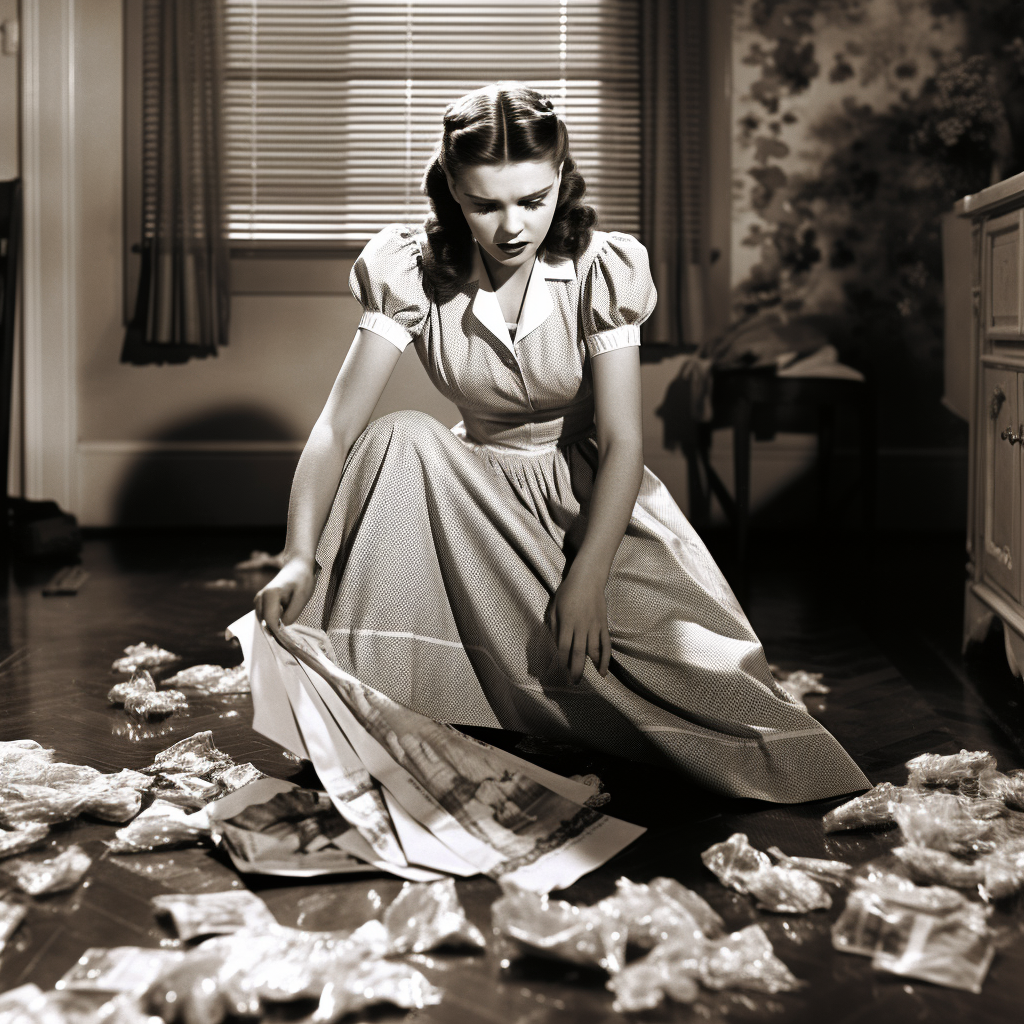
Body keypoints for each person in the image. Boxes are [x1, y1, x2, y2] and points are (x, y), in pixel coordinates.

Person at [254, 84, 868, 804]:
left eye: (535, 200)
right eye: (486, 205)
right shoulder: (413, 272)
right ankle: (405, 716)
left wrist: (588, 578)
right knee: (401, 436)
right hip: (469, 505)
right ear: (452, 190)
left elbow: (622, 440)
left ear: (562, 178)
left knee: (719, 693)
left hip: (590, 500)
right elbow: (336, 428)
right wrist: (298, 554)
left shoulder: (602, 269)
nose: (513, 226)